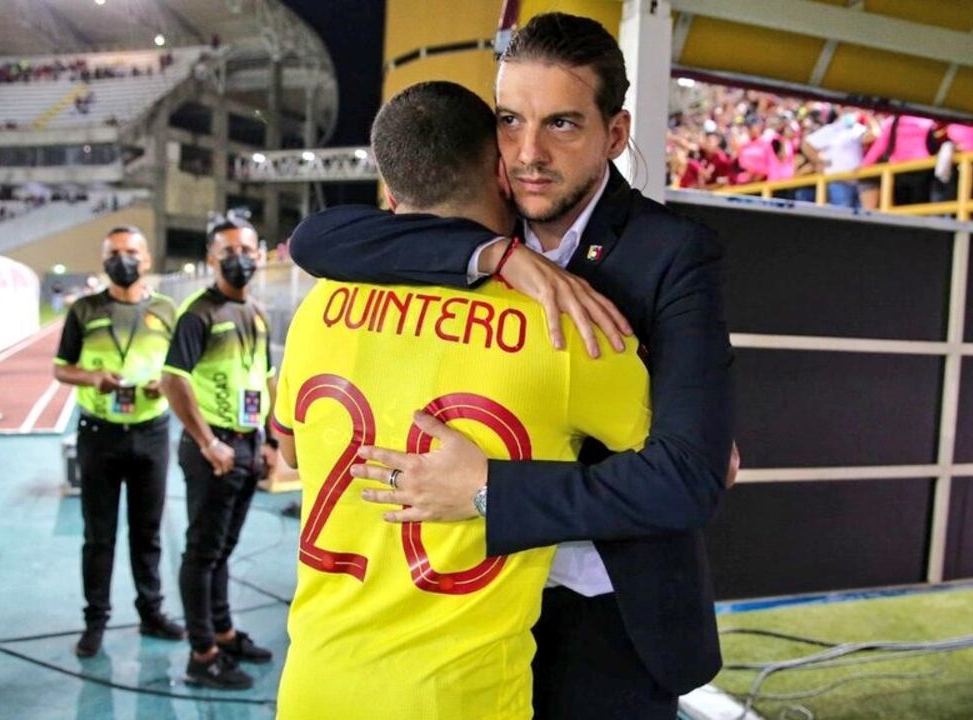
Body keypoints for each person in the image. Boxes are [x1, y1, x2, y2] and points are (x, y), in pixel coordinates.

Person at [288, 13, 734, 719]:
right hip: (465, 617)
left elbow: (692, 478)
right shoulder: (488, 230)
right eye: (508, 120)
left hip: (600, 615)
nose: (527, 153)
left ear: (613, 136)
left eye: (561, 124)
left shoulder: (672, 253)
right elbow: (316, 238)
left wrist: (494, 491)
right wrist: (493, 255)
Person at [53, 226, 185, 657]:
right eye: (114, 253)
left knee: (147, 533)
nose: (123, 260)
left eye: (131, 252)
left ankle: (152, 612)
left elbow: (181, 371)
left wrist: (162, 388)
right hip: (99, 435)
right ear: (103, 258)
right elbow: (61, 368)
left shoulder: (167, 309)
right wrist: (94, 378)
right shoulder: (84, 310)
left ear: (146, 260)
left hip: (152, 433)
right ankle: (96, 620)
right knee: (99, 535)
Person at [160, 212, 278, 690]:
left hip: (247, 446)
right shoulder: (198, 313)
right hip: (214, 450)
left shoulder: (256, 312)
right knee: (203, 552)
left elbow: (266, 378)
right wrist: (209, 442)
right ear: (211, 258)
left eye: (247, 249)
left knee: (222, 550)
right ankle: (202, 653)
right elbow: (172, 382)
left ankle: (224, 632)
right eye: (228, 251)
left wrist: (270, 439)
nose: (239, 258)